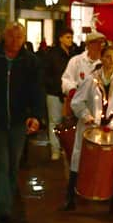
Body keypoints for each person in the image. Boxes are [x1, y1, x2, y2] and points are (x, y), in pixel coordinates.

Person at [0, 23, 44, 223]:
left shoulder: (30, 61)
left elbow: (37, 91)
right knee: (0, 164)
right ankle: (4, 209)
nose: (15, 41)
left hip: (18, 121)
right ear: (4, 37)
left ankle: (7, 203)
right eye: (12, 36)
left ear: (24, 39)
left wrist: (37, 116)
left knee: (13, 165)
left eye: (19, 37)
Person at [63, 45, 113, 214]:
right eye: (108, 57)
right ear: (101, 59)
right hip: (91, 126)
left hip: (112, 128)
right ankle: (70, 198)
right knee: (80, 160)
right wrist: (86, 116)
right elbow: (77, 102)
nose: (111, 61)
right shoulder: (91, 80)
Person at [42, 28, 75, 161]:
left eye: (71, 37)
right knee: (54, 122)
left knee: (67, 122)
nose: (70, 40)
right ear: (60, 38)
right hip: (54, 93)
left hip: (68, 93)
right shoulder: (52, 54)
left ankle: (64, 148)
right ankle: (55, 149)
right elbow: (46, 74)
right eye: (67, 37)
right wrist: (56, 86)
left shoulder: (72, 54)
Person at [61, 31, 105, 101]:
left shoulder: (105, 63)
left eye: (102, 43)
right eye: (96, 43)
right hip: (78, 103)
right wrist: (72, 91)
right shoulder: (76, 61)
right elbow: (66, 80)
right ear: (88, 45)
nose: (99, 46)